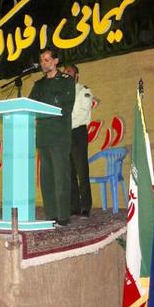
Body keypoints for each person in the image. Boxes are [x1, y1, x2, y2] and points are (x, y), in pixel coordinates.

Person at [29, 48, 75, 227]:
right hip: (43, 136)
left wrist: (45, 107)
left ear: (56, 61)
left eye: (47, 60)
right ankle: (51, 214)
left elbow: (66, 106)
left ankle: (63, 215)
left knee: (61, 176)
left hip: (59, 135)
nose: (43, 63)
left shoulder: (66, 81)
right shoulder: (38, 85)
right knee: (47, 178)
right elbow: (30, 105)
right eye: (41, 60)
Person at [64, 64, 93, 218]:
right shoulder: (62, 93)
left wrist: (65, 123)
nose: (65, 74)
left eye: (69, 72)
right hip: (65, 134)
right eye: (64, 72)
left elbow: (83, 114)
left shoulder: (84, 91)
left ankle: (85, 206)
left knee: (82, 171)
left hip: (78, 132)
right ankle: (74, 206)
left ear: (76, 75)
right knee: (70, 172)